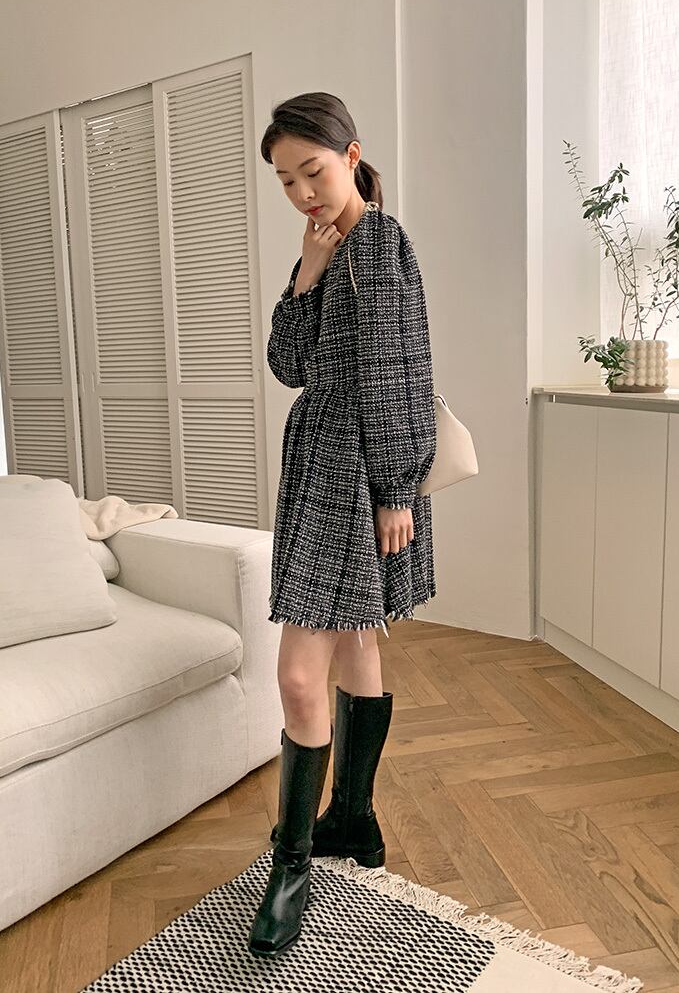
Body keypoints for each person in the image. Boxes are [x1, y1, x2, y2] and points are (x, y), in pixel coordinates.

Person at [248, 91, 435, 959]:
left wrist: (396, 490)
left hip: (361, 470)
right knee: (357, 640)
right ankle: (352, 820)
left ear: (352, 155)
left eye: (312, 171)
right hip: (323, 460)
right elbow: (288, 365)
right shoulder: (327, 248)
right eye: (286, 181)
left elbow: (399, 372)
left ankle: (293, 867)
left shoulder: (382, 243)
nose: (302, 192)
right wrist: (306, 273)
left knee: (297, 676)